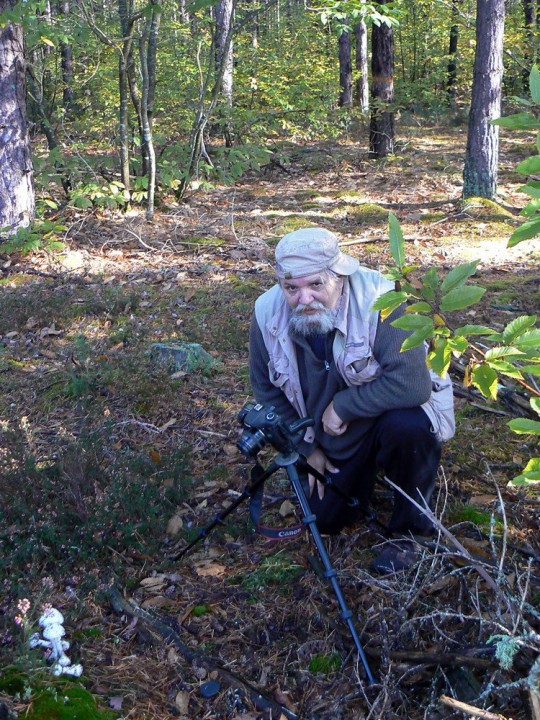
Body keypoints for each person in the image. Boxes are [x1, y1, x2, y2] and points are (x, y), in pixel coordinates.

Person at [248, 227, 455, 572]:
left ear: (339, 276)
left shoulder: (382, 299)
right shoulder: (267, 313)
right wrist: (306, 446)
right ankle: (360, 479)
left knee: (410, 428)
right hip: (326, 440)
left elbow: (412, 384)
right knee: (326, 520)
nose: (305, 299)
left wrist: (344, 405)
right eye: (292, 288)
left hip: (381, 423)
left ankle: (411, 533)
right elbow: (266, 391)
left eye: (316, 285)